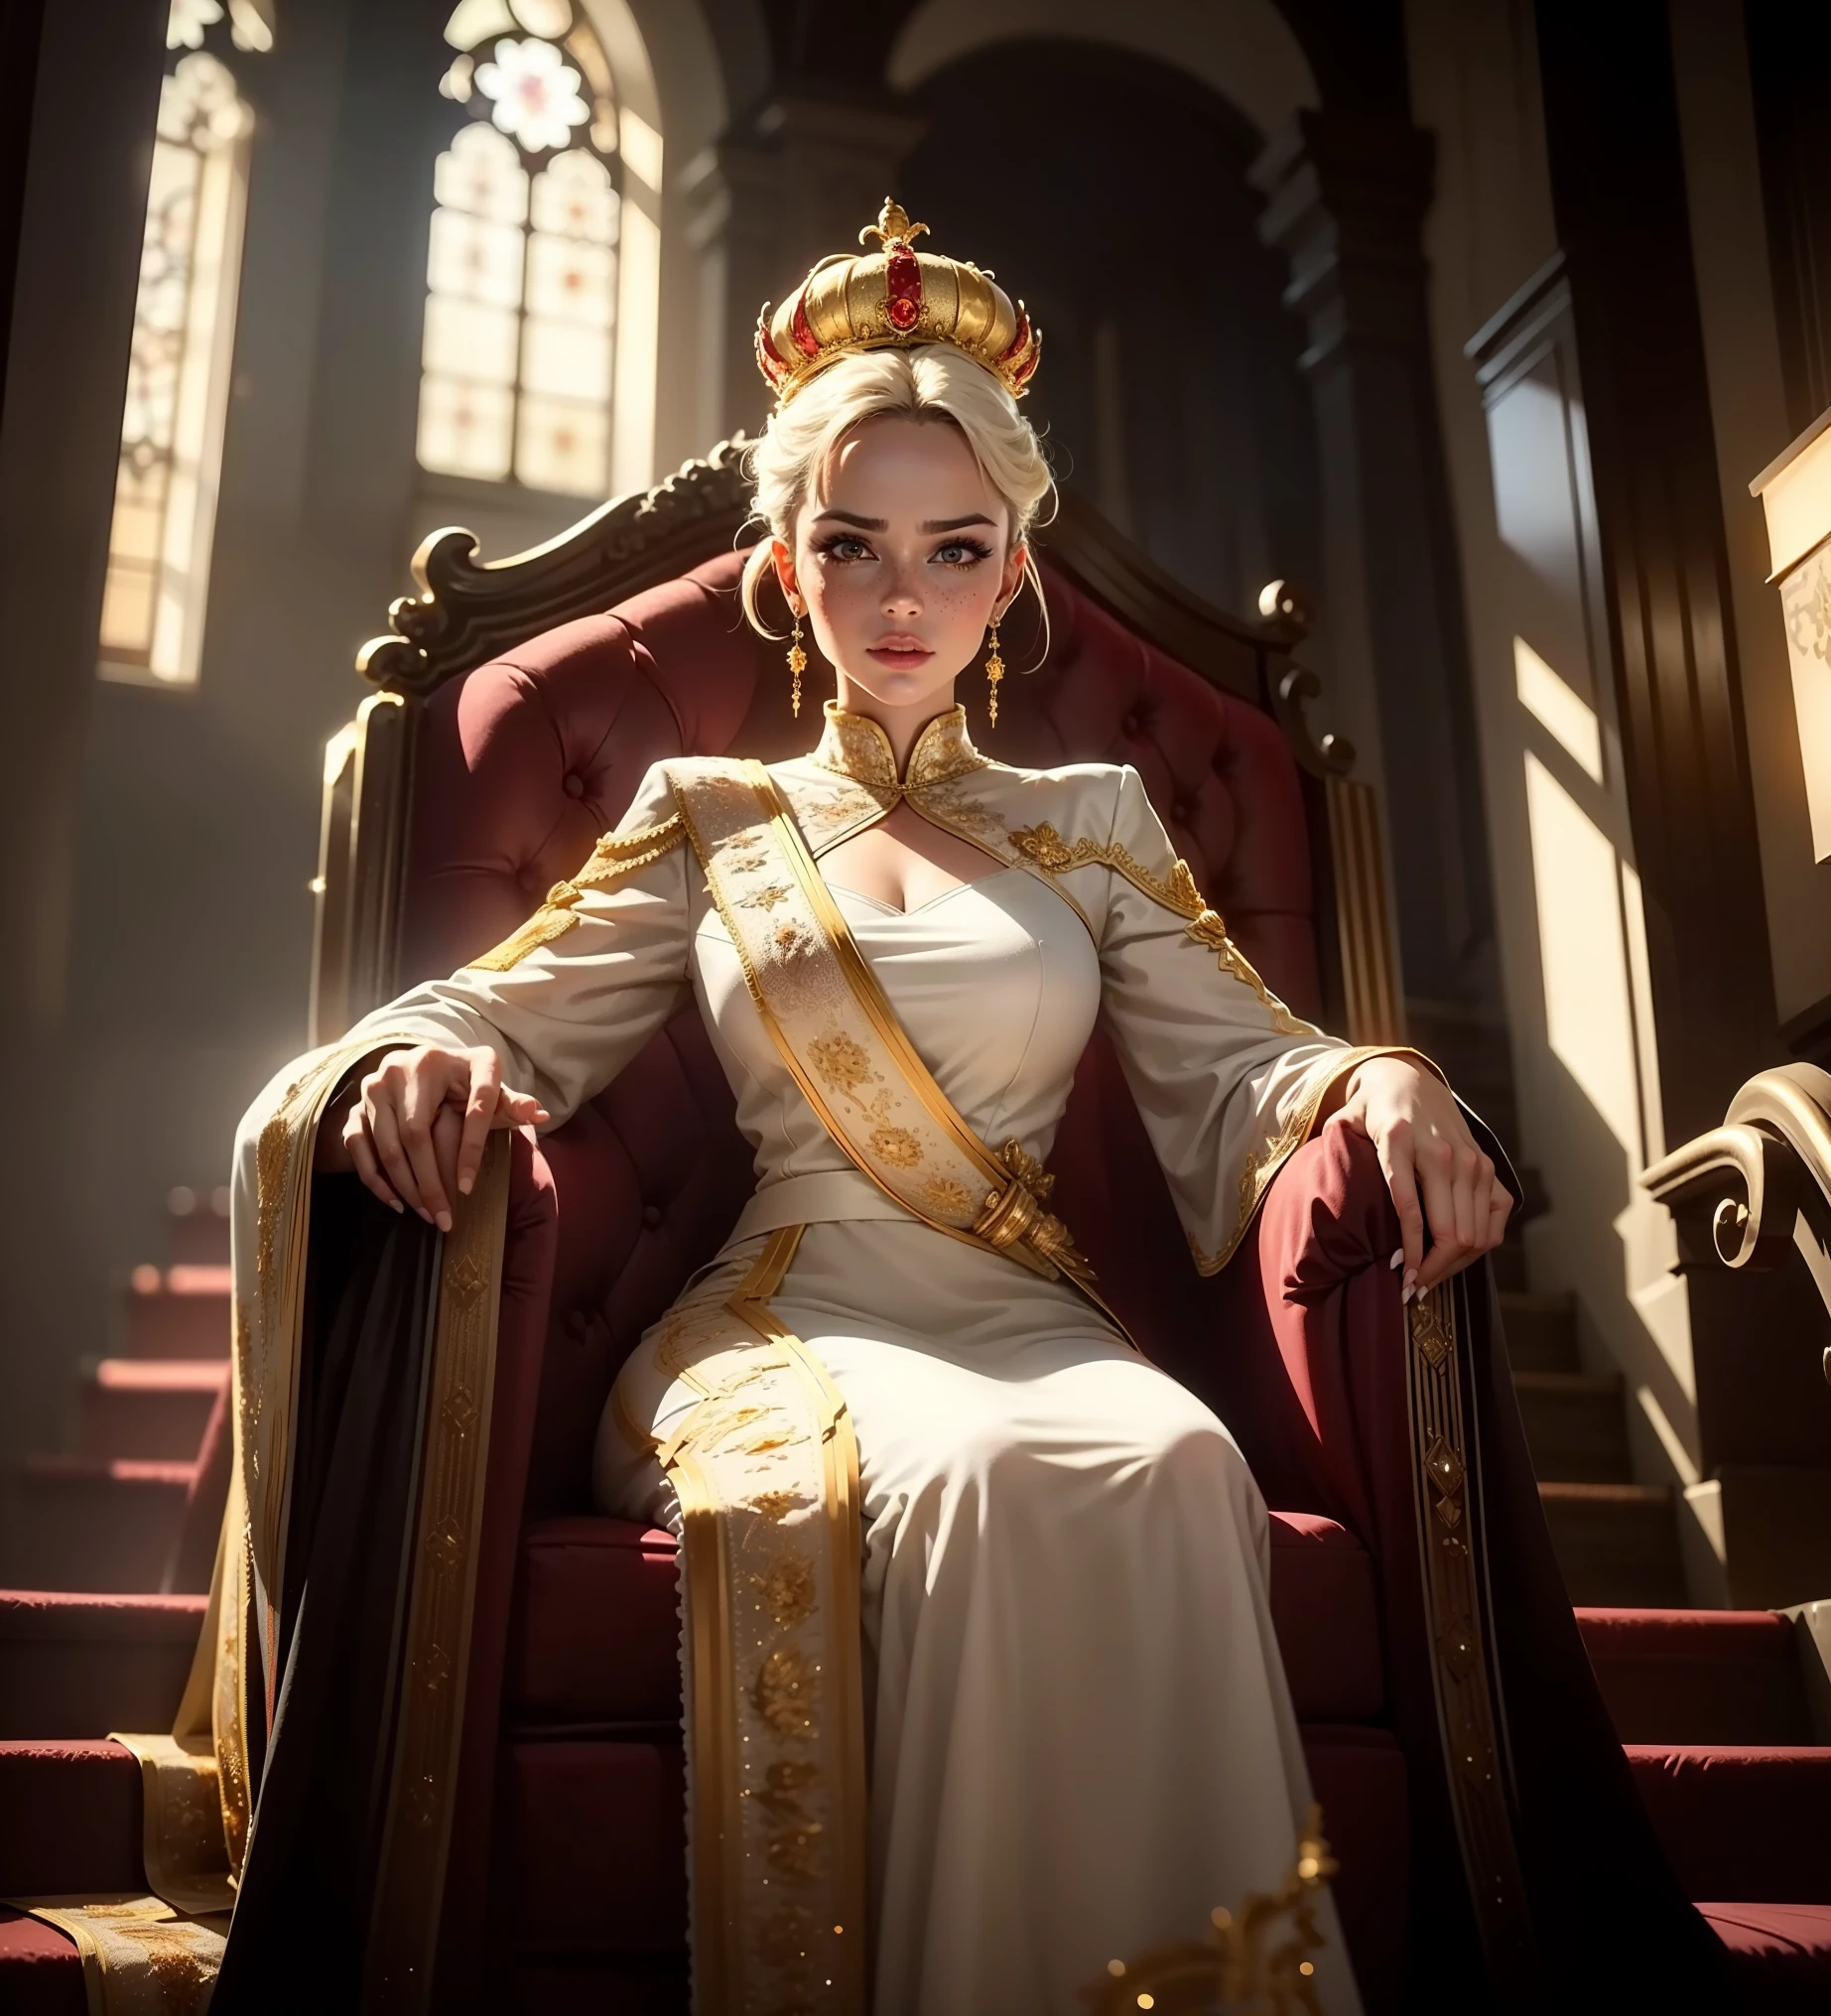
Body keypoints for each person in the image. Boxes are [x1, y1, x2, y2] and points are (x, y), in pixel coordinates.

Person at [198, 202, 1513, 2015]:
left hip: (1029, 1314)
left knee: (1174, 1463)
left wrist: (1388, 1075)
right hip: (778, 1318)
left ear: (1011, 575)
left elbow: (1255, 1055)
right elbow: (499, 1013)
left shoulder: (1099, 827)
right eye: (855, 544)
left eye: (954, 551)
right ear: (789, 565)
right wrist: (407, 1061)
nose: (904, 600)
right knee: (971, 1484)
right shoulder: (703, 816)